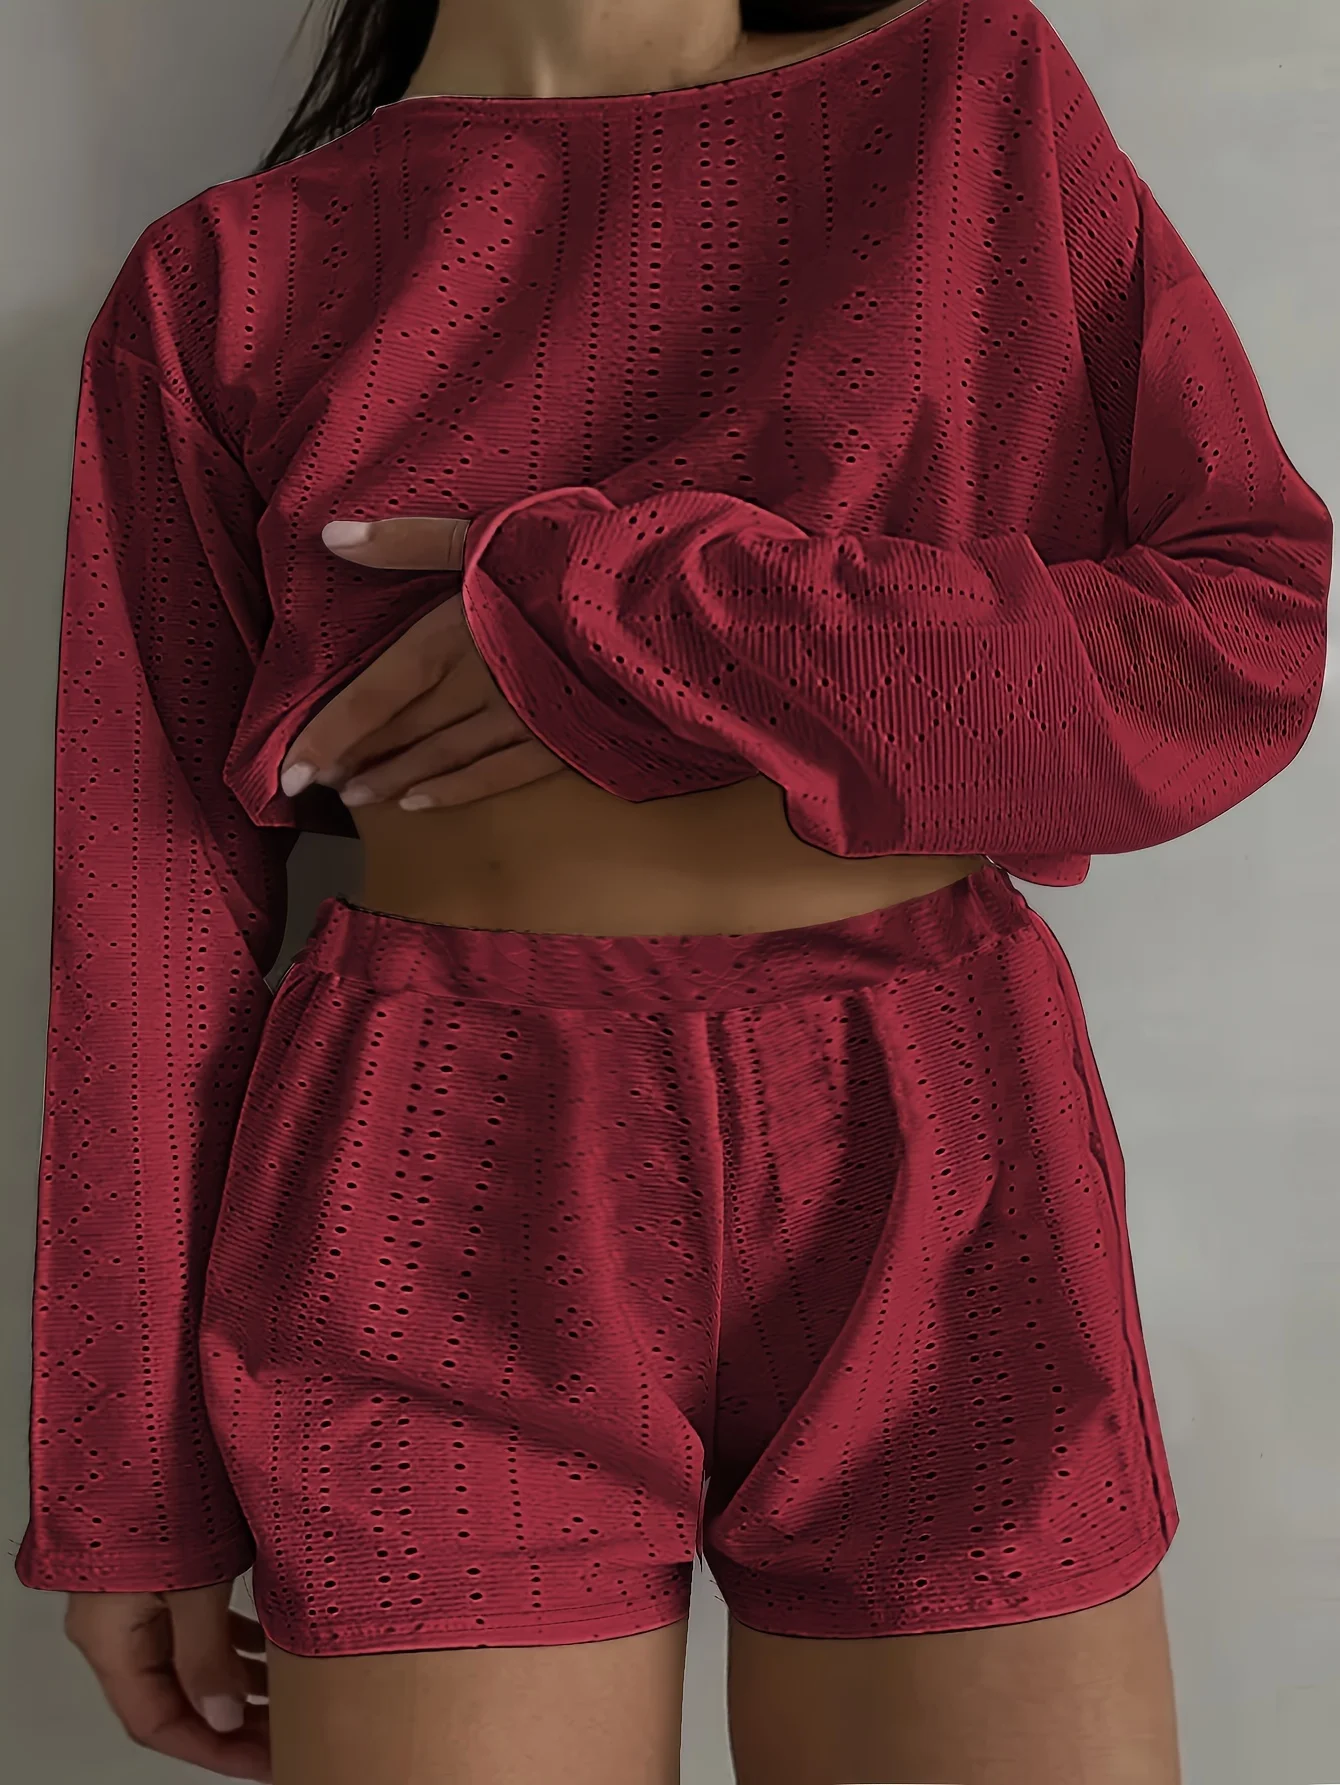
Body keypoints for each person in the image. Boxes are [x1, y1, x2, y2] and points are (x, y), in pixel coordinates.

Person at [16, 0, 1331, 1780]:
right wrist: (127, 1489)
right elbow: (145, 919)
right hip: (433, 1183)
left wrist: (632, 615)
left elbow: (1236, 649)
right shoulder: (226, 279)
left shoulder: (969, 98)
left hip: (928, 1140)